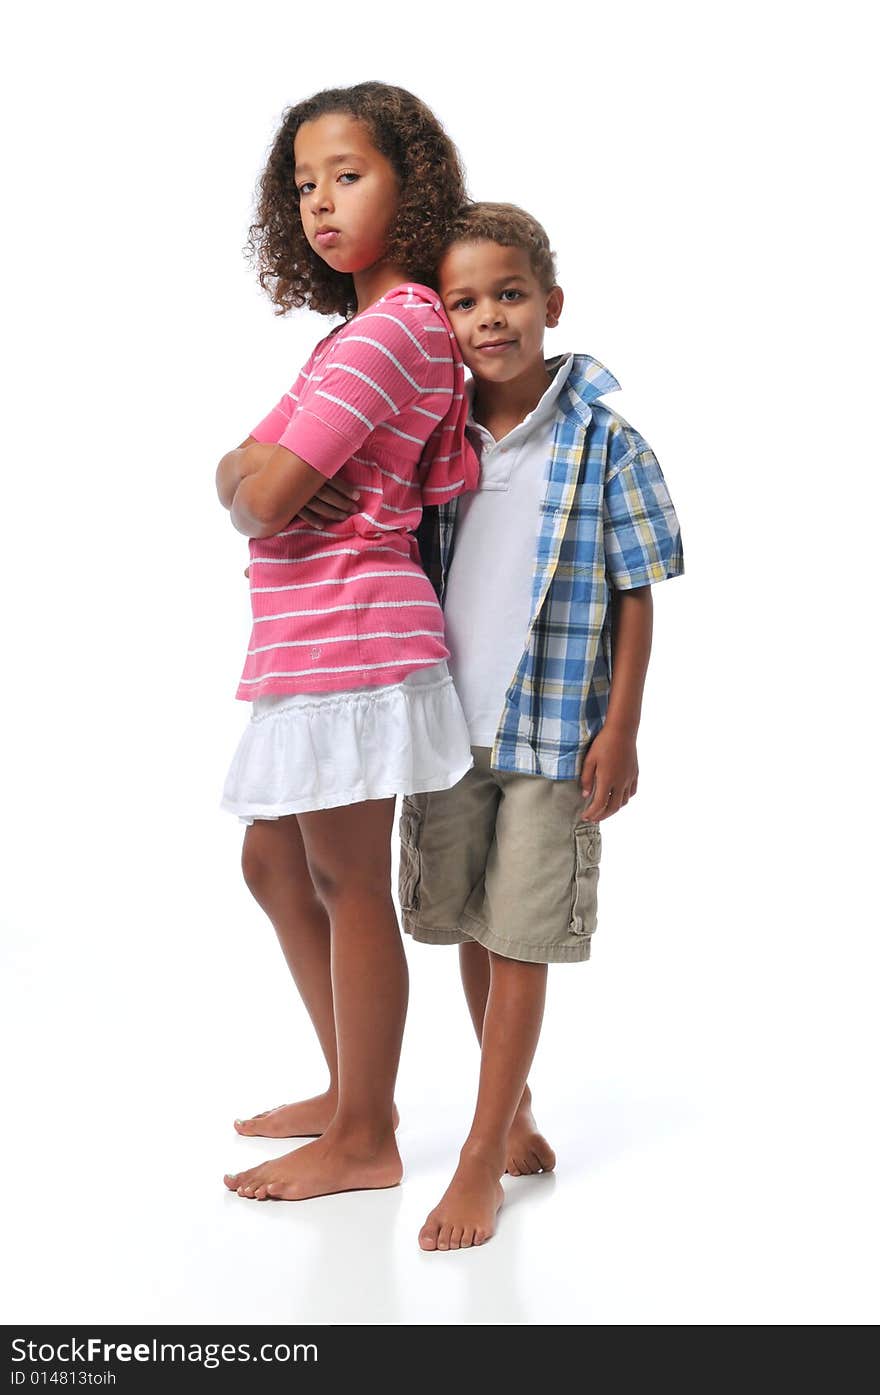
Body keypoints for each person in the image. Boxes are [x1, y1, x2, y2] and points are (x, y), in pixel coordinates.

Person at [399, 202, 684, 1248]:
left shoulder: (606, 441)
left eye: (508, 295)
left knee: (520, 934)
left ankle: (478, 1159)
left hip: (555, 728)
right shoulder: (436, 435)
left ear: (550, 303)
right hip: (447, 727)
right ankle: (506, 1103)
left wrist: (624, 726)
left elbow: (635, 589)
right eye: (464, 302)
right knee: (470, 924)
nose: (488, 319)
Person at [217, 84, 478, 1203]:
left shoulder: (394, 330)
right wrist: (250, 484)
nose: (321, 202)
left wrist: (256, 486)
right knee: (277, 860)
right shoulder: (351, 336)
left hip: (354, 634)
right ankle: (348, 1088)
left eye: (348, 175)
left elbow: (262, 492)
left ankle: (365, 1134)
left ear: (409, 185)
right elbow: (237, 476)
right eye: (304, 185)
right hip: (315, 637)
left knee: (345, 878)